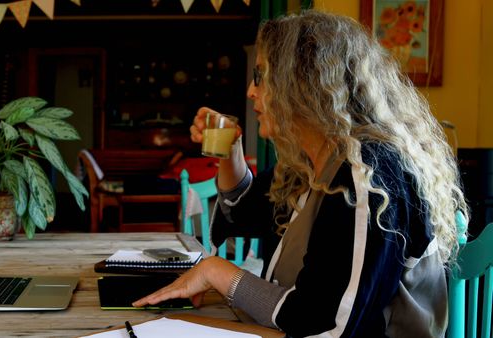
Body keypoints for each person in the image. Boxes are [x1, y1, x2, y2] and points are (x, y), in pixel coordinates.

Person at [133, 10, 469, 337]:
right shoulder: (313, 163)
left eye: (261, 76)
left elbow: (327, 323)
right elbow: (243, 214)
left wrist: (217, 273)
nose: (251, 92)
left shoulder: (366, 173)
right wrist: (228, 149)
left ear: (303, 84)